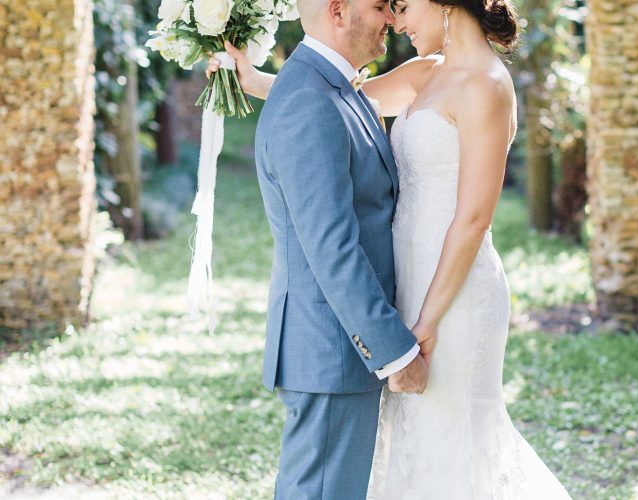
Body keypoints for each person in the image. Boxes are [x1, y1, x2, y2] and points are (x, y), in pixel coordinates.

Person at [210, 0, 572, 495]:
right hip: (400, 292)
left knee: (451, 441)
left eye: (400, 7)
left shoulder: (487, 84)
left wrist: (426, 323)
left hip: (451, 294)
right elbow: (332, 99)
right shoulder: (426, 72)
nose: (397, 22)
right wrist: (253, 80)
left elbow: (472, 220)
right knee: (409, 449)